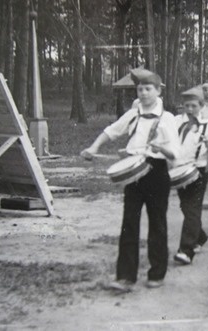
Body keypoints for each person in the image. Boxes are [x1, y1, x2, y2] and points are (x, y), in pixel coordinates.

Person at [80, 68, 180, 292]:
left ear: (158, 91)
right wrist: (94, 146)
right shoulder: (133, 114)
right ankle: (125, 277)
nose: (143, 93)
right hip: (134, 173)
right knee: (129, 224)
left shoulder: (168, 119)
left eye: (148, 89)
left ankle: (157, 273)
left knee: (157, 224)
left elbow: (175, 153)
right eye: (140, 89)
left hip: (156, 172)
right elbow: (111, 131)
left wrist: (161, 147)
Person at [173, 87, 208, 265]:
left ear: (202, 106)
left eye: (194, 106)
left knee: (193, 209)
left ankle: (186, 250)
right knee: (185, 206)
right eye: (186, 106)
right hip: (178, 170)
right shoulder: (175, 122)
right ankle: (200, 236)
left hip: (198, 171)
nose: (189, 109)